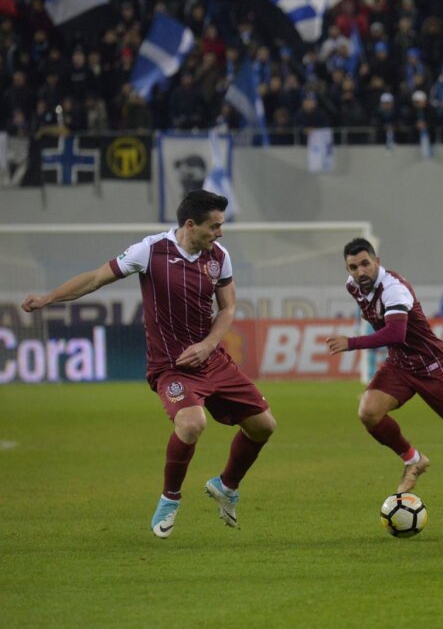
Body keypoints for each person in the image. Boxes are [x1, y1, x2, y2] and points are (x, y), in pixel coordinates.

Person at [21, 191, 277, 539]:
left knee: (264, 426)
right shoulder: (151, 250)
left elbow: (228, 308)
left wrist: (207, 345)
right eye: (214, 226)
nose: (220, 233)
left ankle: (226, 486)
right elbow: (96, 278)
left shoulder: (218, 257)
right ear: (190, 225)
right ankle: (170, 498)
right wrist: (48, 298)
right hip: (171, 366)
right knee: (191, 424)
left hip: (211, 358)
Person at [326, 239, 443, 494]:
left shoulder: (394, 289)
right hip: (400, 365)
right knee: (368, 411)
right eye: (353, 267)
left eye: (365, 264)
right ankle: (413, 459)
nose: (360, 272)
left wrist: (352, 342)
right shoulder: (353, 287)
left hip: (432, 365)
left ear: (377, 261)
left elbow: (396, 334)